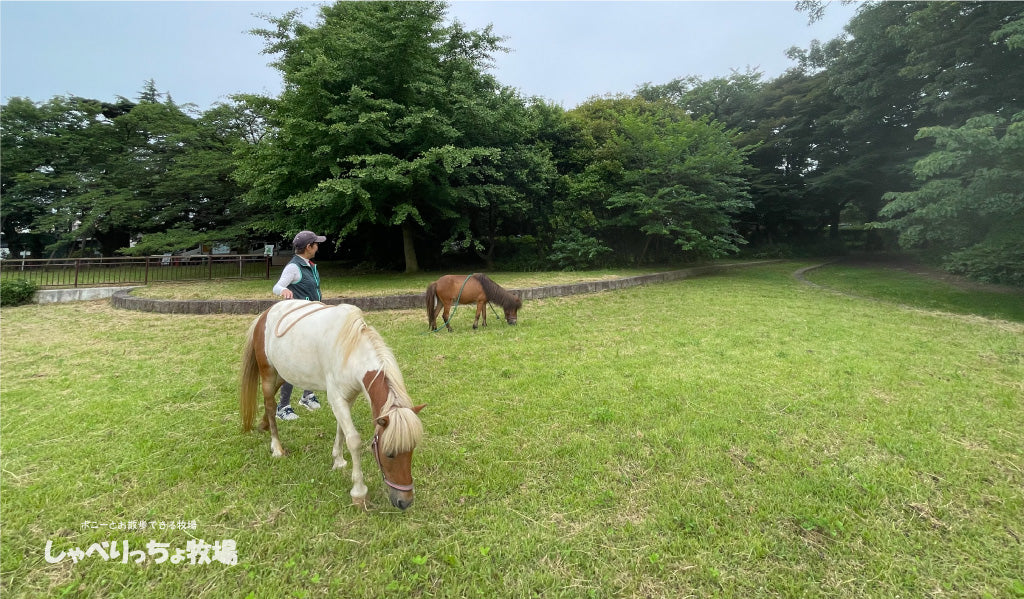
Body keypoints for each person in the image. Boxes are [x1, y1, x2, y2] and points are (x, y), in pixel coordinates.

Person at [271, 230, 326, 420]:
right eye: (316, 244)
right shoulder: (293, 267)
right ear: (308, 247)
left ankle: (307, 395)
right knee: (294, 362)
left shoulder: (309, 265)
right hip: (300, 322)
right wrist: (284, 290)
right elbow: (277, 286)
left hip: (313, 319)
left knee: (312, 357)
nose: (318, 246)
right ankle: (283, 407)